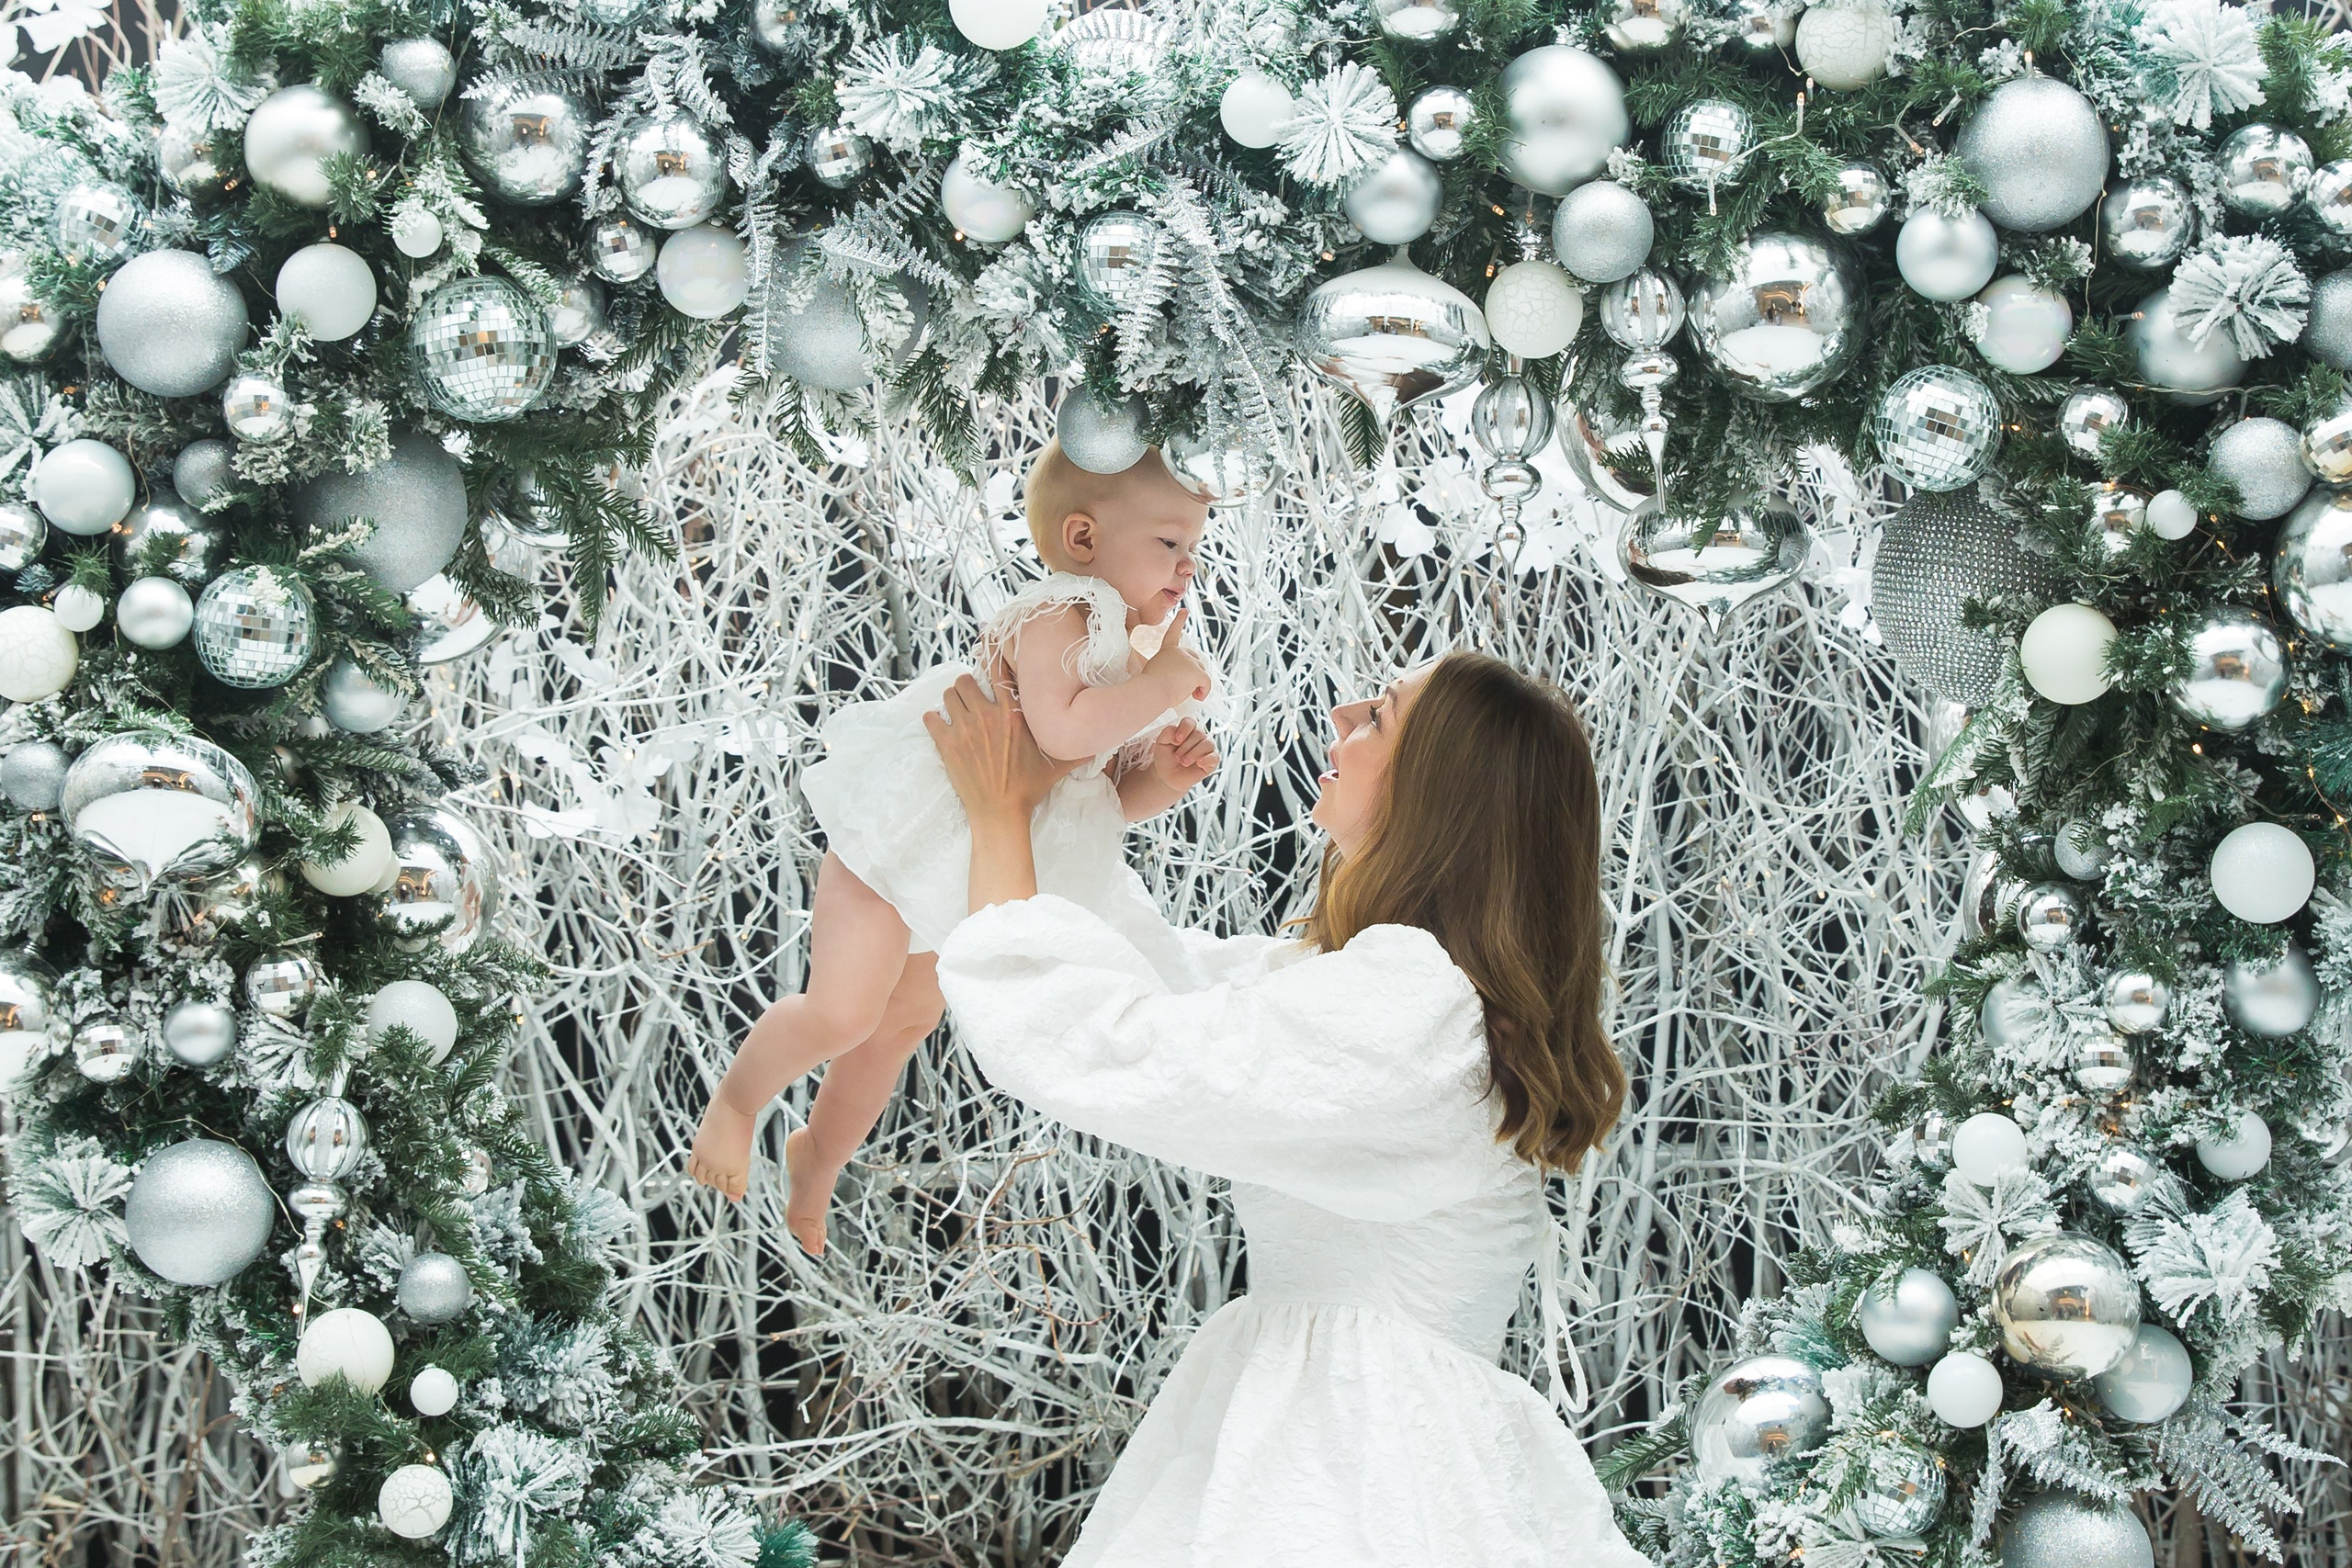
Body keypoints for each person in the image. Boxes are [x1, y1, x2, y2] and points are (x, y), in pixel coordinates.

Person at [923, 651, 1653, 1566]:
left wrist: (1001, 815)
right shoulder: (1382, 992)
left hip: (1360, 1461)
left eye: (1380, 715)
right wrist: (1081, 810)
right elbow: (1163, 984)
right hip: (1337, 1425)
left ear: (1441, 795)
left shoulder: (1407, 1011)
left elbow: (1108, 1043)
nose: (1344, 710)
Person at [687, 440, 1222, 1258]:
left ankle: (818, 1159)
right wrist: (1166, 680)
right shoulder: (1055, 616)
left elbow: (1095, 791)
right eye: (1169, 543)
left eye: (1194, 547)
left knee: (900, 1025)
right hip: (906, 839)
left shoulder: (1123, 647)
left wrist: (1163, 778)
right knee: (843, 1011)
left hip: (966, 863)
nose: (1187, 566)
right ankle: (734, 1101)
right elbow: (1061, 731)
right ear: (1083, 541)